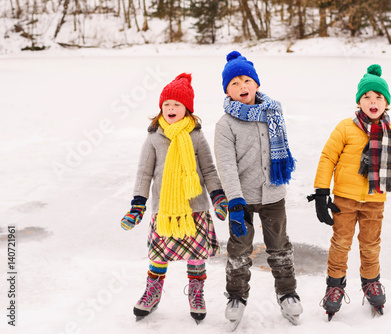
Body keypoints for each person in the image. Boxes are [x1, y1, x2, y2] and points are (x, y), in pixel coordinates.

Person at [308, 64, 391, 318]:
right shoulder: (346, 127)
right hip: (343, 200)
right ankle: (334, 286)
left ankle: (370, 281)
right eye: (367, 96)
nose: (373, 101)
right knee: (341, 243)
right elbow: (327, 158)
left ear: (386, 104)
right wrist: (322, 193)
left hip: (374, 200)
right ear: (359, 102)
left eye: (378, 97)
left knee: (370, 244)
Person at [120, 73, 228, 322]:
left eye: (177, 104)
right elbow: (144, 172)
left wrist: (218, 197)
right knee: (158, 255)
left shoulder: (196, 135)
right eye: (166, 104)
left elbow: (209, 169)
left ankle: (196, 291)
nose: (171, 108)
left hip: (195, 206)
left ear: (187, 109)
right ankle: (153, 292)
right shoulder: (154, 136)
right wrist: (138, 205)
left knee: (197, 255)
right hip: (164, 209)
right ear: (161, 108)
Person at [214, 51, 303, 326]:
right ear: (227, 91)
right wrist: (236, 202)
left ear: (256, 84)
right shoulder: (225, 125)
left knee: (279, 246)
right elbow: (226, 166)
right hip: (242, 198)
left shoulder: (272, 113)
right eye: (235, 83)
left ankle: (287, 293)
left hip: (273, 194)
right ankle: (236, 296)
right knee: (239, 248)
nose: (242, 87)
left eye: (246, 80)